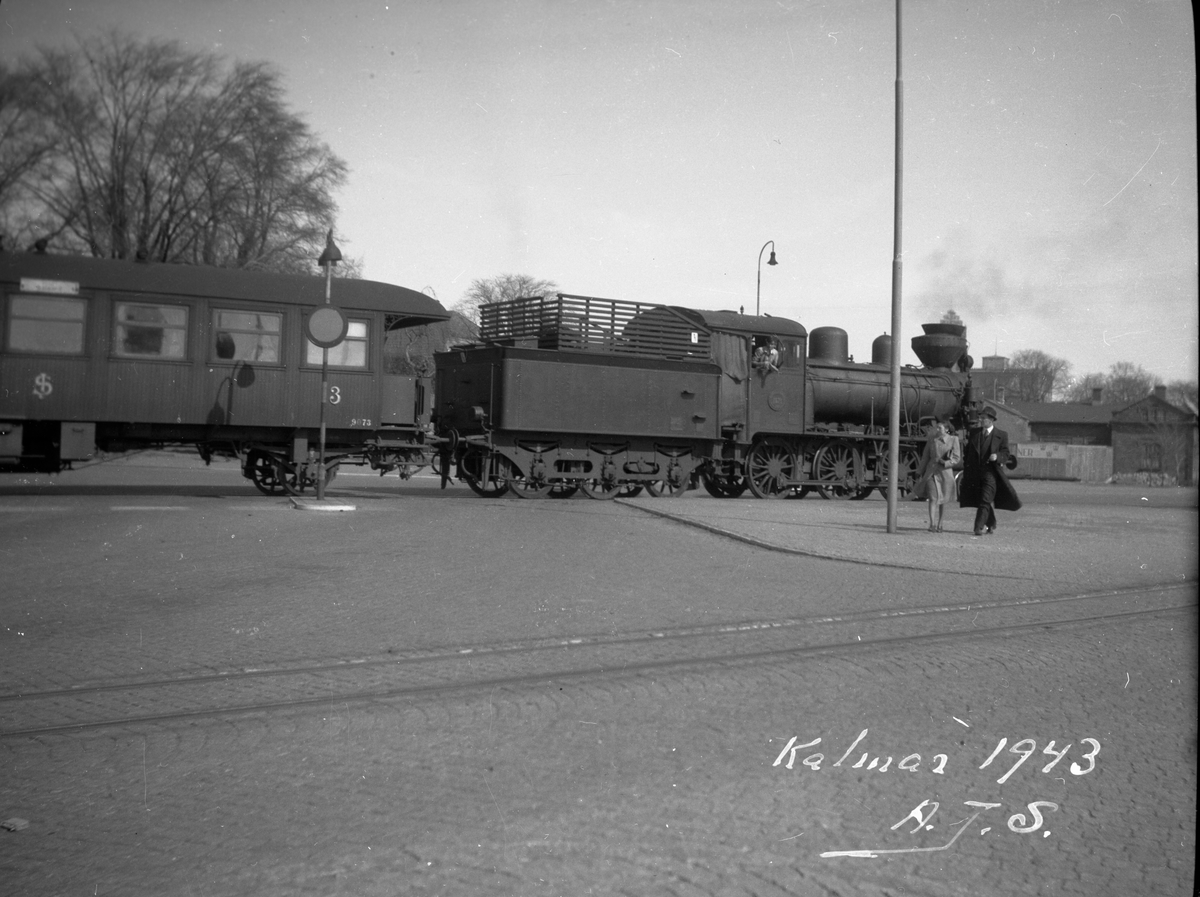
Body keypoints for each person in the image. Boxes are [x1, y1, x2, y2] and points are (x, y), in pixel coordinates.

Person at [959, 406, 1022, 536]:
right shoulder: (974, 433)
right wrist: (967, 469)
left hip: (991, 473)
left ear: (992, 420)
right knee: (981, 500)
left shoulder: (1002, 435)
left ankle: (978, 527)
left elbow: (1006, 454)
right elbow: (967, 453)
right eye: (981, 418)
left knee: (985, 499)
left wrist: (997, 456)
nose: (981, 420)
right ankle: (991, 522)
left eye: (984, 418)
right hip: (975, 473)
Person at [916, 419, 961, 532]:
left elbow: (956, 458)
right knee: (933, 498)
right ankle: (932, 524)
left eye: (939, 428)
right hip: (931, 472)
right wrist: (919, 471)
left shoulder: (953, 439)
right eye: (936, 427)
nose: (937, 430)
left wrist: (946, 463)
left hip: (945, 474)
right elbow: (925, 457)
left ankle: (940, 524)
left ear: (946, 429)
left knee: (943, 499)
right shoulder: (931, 440)